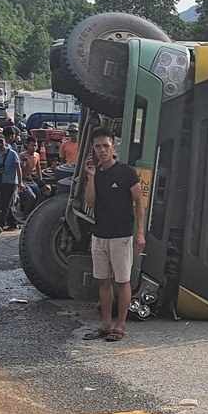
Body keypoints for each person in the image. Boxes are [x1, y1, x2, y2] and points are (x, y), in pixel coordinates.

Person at [83, 127, 146, 343]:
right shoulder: (96, 175)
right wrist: (91, 177)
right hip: (99, 236)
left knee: (123, 281)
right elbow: (90, 203)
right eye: (98, 147)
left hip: (121, 237)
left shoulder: (127, 173)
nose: (102, 150)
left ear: (114, 148)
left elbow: (139, 203)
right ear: (93, 149)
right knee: (103, 282)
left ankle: (121, 325)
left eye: (106, 146)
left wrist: (140, 234)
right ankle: (106, 324)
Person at [0, 133, 24, 233]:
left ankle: (0, 224)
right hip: (0, 181)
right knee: (2, 203)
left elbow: (18, 168)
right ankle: (13, 223)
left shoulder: (12, 153)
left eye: (1, 142)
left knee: (6, 204)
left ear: (5, 142)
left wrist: (20, 182)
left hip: (11, 182)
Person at [18, 137, 50, 219]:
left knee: (41, 195)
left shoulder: (37, 155)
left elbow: (38, 168)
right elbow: (18, 169)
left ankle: (34, 213)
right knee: (31, 196)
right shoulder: (22, 155)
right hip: (24, 180)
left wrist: (41, 181)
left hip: (31, 180)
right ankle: (25, 214)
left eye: (35, 145)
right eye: (32, 145)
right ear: (27, 145)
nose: (34, 147)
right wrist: (20, 182)